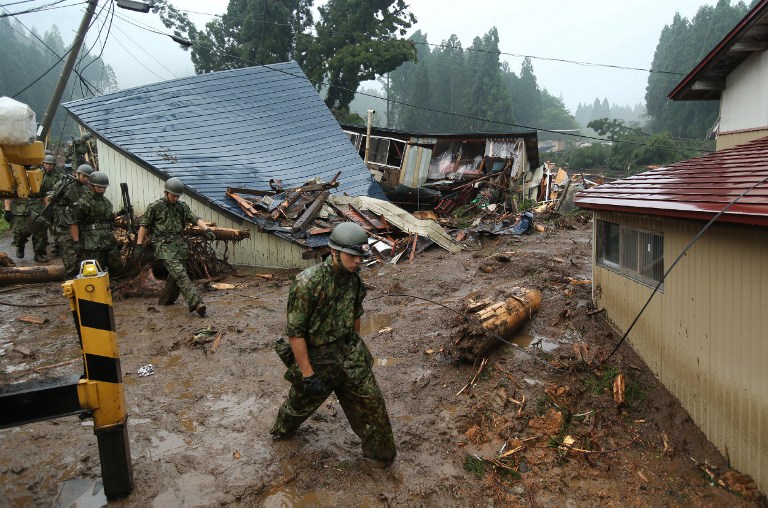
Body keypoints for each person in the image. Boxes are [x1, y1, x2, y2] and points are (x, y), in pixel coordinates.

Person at [270, 222, 396, 468]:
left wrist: (354, 349)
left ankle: (380, 458)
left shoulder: (355, 281)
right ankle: (281, 432)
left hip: (349, 354)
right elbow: (296, 334)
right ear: (335, 252)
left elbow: (356, 316)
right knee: (297, 408)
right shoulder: (307, 283)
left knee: (373, 406)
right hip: (317, 359)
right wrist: (307, 374)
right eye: (352, 256)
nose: (357, 261)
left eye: (361, 256)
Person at [136, 177, 214, 317]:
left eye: (178, 196)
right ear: (166, 192)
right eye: (174, 195)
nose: (176, 198)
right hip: (163, 246)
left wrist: (206, 229)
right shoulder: (155, 207)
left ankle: (165, 302)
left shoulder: (181, 207)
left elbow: (194, 218)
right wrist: (139, 244)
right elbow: (144, 225)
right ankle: (196, 303)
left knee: (175, 276)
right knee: (180, 274)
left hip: (179, 246)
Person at [70, 172, 122, 274]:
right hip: (92, 241)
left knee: (115, 265)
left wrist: (119, 213)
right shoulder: (84, 202)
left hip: (108, 239)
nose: (102, 189)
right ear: (92, 185)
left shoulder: (106, 201)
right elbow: (74, 223)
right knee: (95, 268)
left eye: (104, 187)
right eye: (99, 187)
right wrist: (76, 241)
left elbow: (108, 217)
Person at [50, 163, 94, 276]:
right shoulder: (64, 184)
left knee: (82, 249)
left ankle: (83, 273)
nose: (86, 179)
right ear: (77, 174)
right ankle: (71, 273)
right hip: (64, 221)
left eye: (88, 177)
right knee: (68, 249)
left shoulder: (87, 188)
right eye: (84, 176)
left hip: (80, 222)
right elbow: (51, 198)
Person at [3, 165, 49, 263]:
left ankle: (39, 253)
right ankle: (20, 245)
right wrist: (7, 210)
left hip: (36, 208)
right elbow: (9, 194)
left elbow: (44, 194)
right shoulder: (15, 176)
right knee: (20, 232)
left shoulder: (38, 176)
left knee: (40, 232)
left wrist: (48, 207)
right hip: (19, 209)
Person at [40, 154, 66, 256]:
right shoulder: (40, 174)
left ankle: (57, 244)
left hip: (56, 202)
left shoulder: (59, 175)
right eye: (46, 164)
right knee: (47, 224)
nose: (48, 166)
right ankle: (49, 243)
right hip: (43, 202)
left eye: (50, 164)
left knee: (56, 224)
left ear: (54, 165)